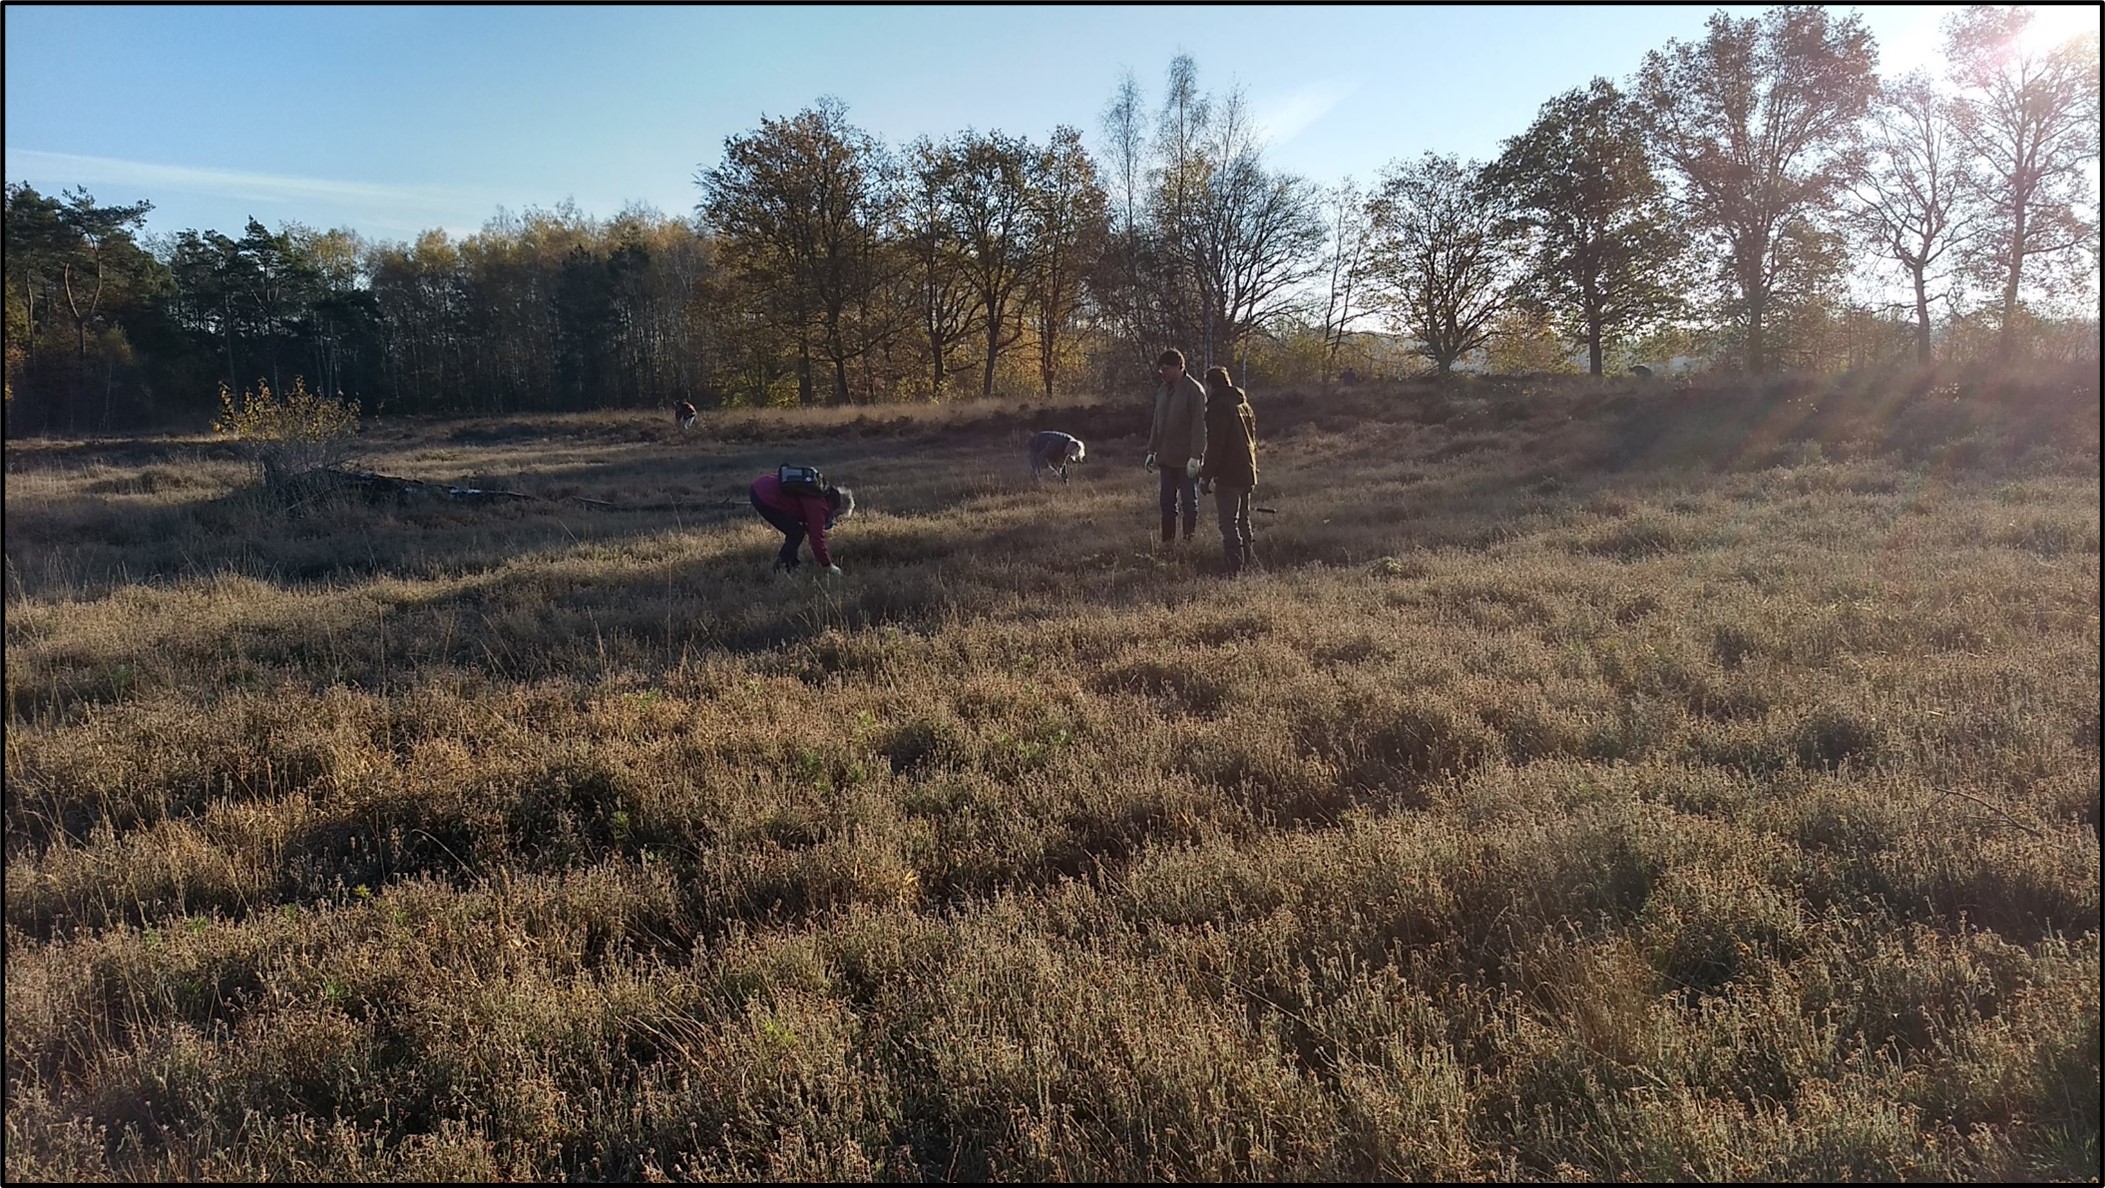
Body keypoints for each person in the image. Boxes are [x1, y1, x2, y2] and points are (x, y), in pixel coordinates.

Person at [1196, 366, 1258, 575]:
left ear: (1210, 385)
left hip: (1229, 474)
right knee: (1243, 520)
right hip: (1247, 470)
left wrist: (1205, 476)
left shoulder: (1218, 407)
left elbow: (1216, 445)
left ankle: (1234, 570)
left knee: (1228, 523)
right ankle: (1247, 563)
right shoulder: (1243, 405)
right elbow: (1253, 440)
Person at [1144, 349, 1207, 544]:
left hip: (1186, 460)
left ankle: (1189, 542)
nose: (1162, 373)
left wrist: (1196, 456)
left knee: (1189, 503)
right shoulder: (1163, 390)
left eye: (1165, 369)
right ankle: (1168, 543)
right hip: (1165, 458)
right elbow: (1157, 421)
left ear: (1179, 367)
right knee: (1166, 503)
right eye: (1160, 369)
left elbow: (1200, 426)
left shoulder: (1194, 391)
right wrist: (1151, 450)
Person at [749, 470, 854, 575]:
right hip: (764, 495)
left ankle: (792, 565)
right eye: (838, 515)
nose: (835, 518)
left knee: (796, 531)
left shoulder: (823, 492)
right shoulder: (820, 505)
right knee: (796, 533)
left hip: (762, 485)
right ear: (837, 507)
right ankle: (779, 569)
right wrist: (828, 565)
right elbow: (816, 539)